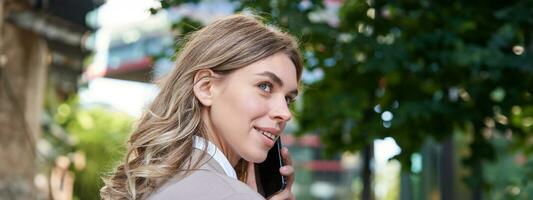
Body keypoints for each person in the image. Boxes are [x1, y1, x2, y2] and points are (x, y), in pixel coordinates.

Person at [100, 13, 302, 200]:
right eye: (264, 86)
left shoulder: (155, 184)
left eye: (288, 99)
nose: (285, 113)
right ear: (206, 87)